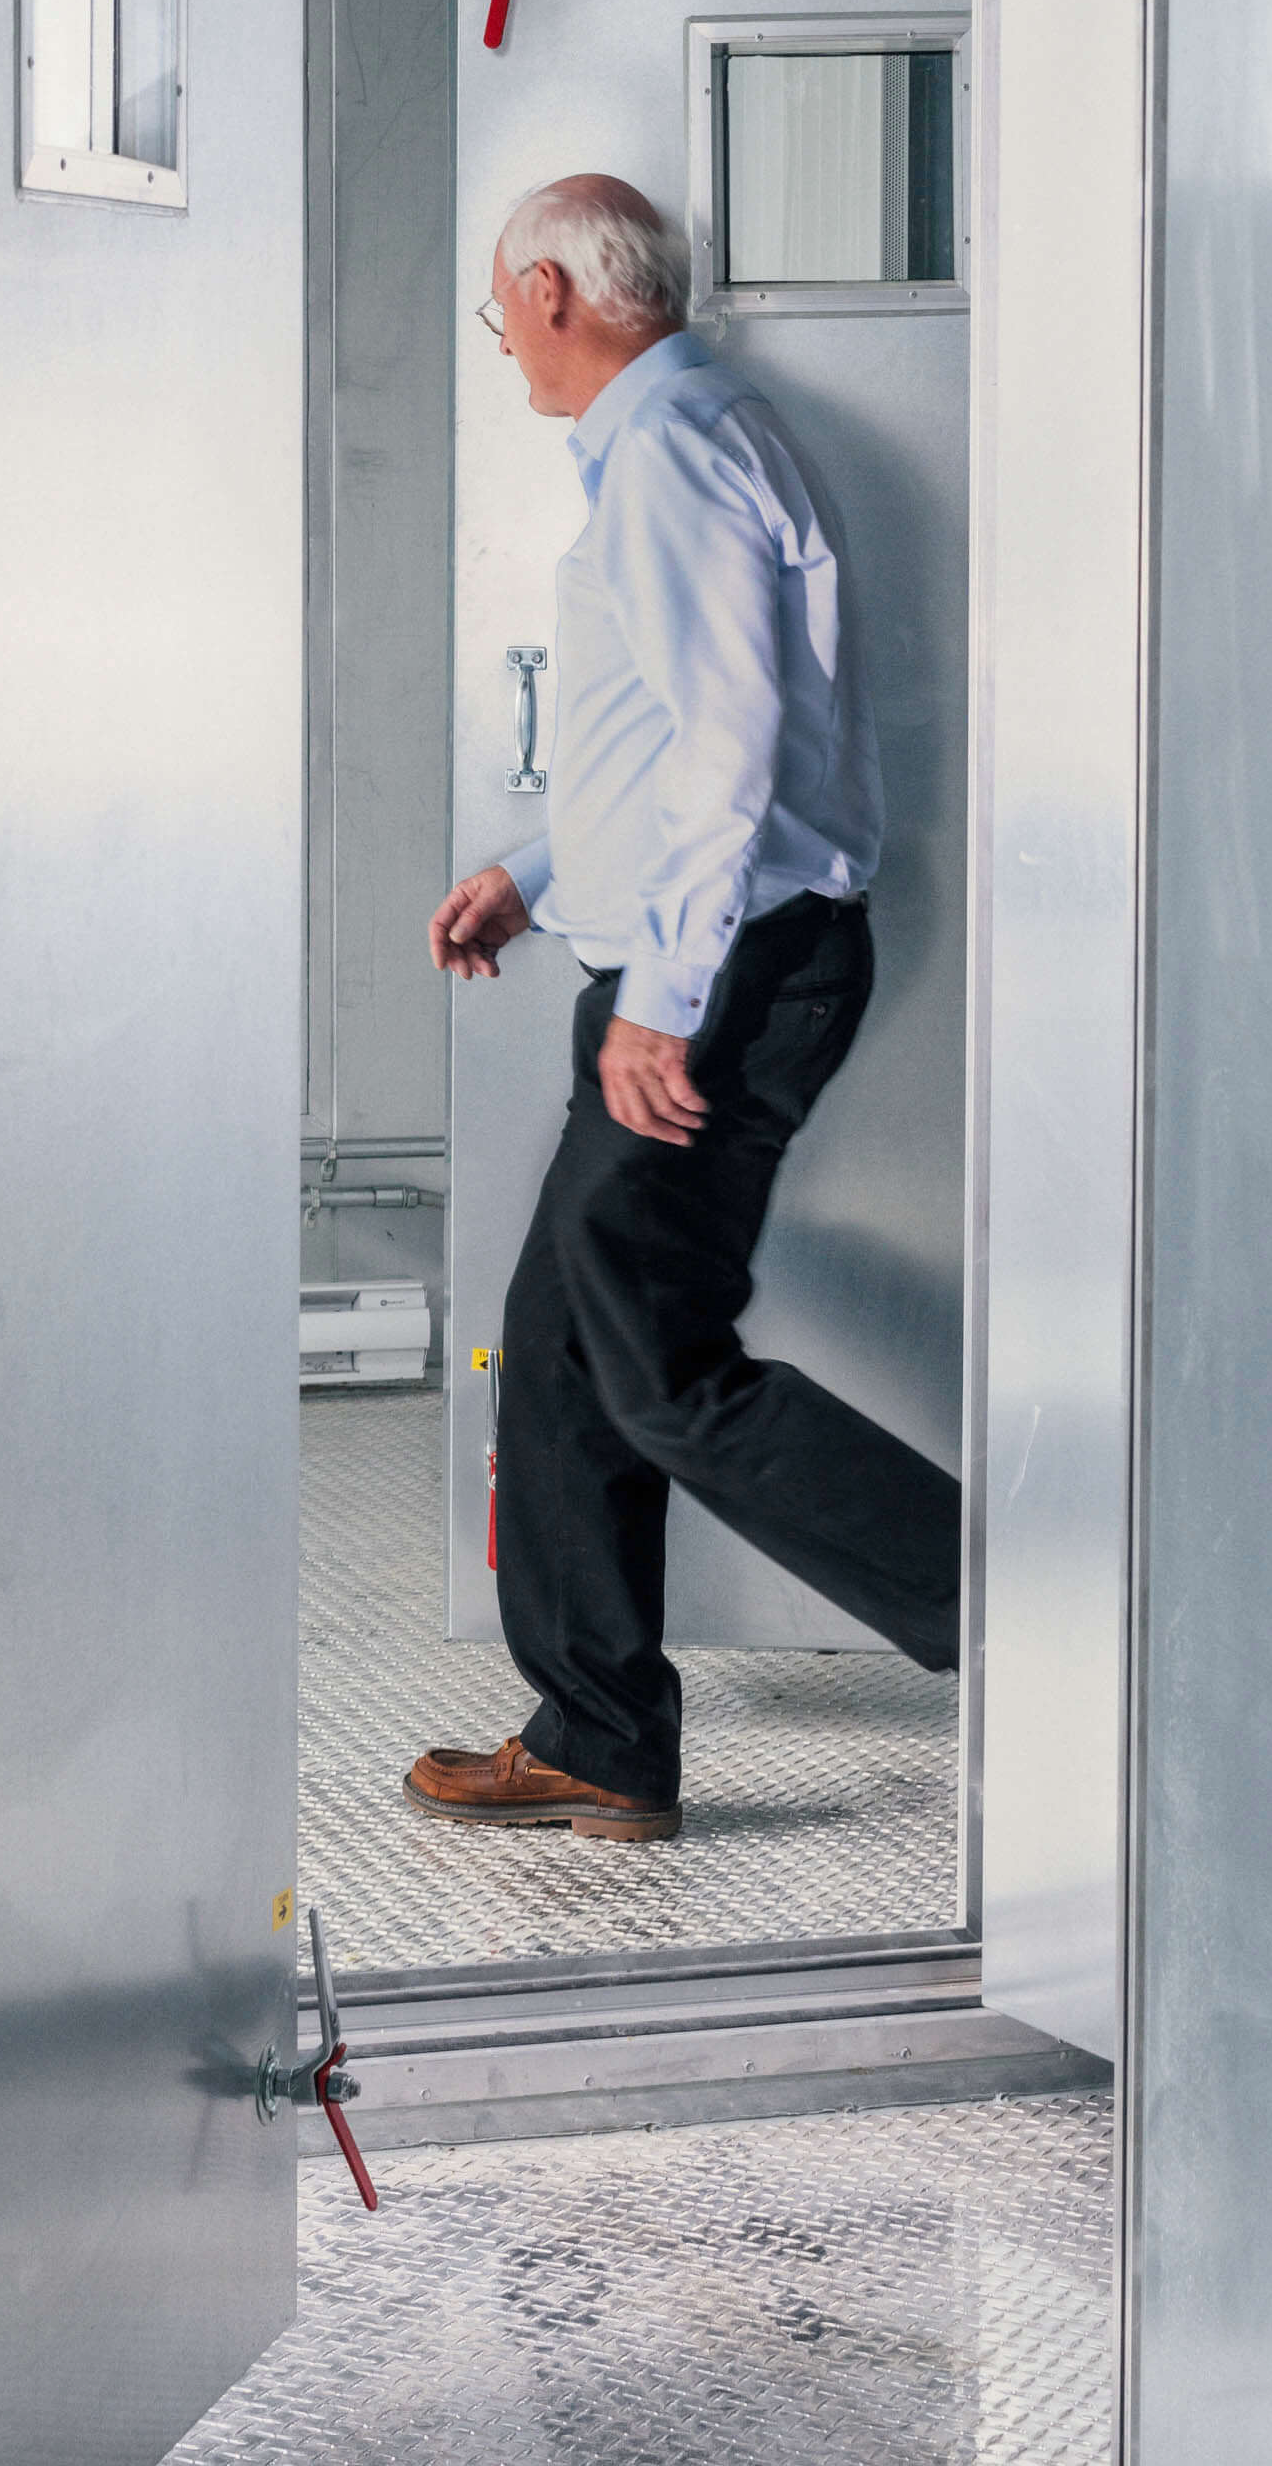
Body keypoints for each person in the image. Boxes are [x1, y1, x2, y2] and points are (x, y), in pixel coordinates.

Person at [406, 173, 961, 1847]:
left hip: (727, 975)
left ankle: (1040, 1617)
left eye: (502, 300)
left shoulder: (671, 455)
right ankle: (597, 1734)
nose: (501, 330)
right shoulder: (679, 439)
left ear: (559, 295)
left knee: (651, 1364)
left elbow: (730, 750)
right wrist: (536, 866)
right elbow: (670, 744)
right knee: (566, 1349)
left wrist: (662, 998)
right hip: (701, 959)